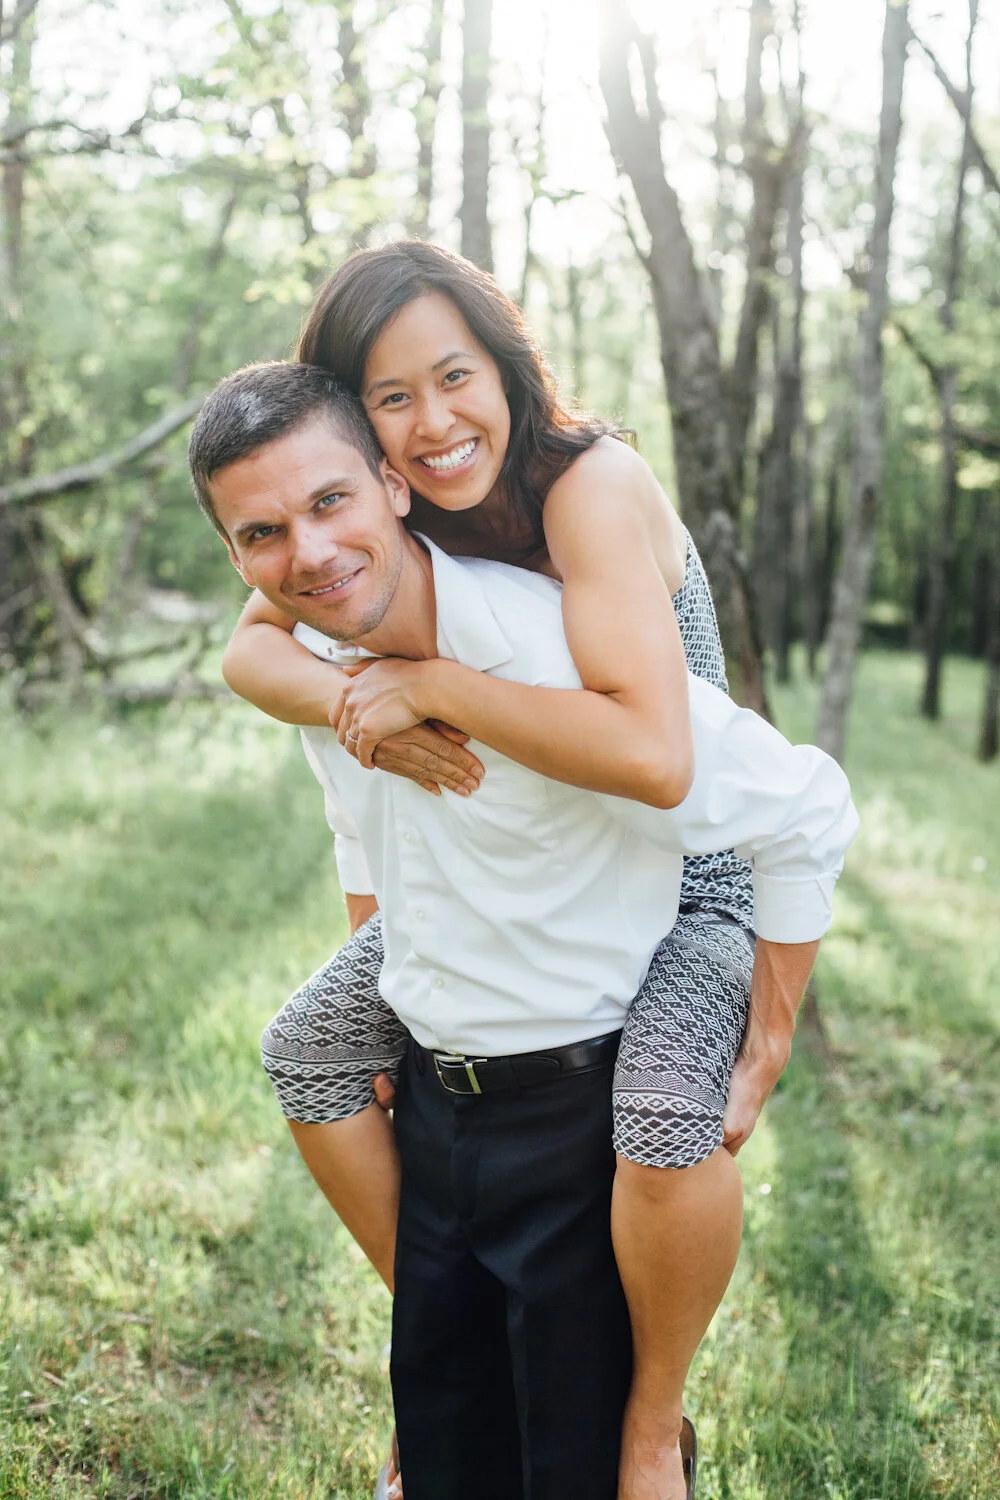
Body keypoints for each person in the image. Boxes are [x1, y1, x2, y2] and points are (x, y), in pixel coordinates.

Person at [194, 359, 858, 1500]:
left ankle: (657, 1431)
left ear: (396, 485)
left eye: (328, 503)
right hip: (477, 1019)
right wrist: (398, 996)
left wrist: (769, 1035)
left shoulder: (568, 577)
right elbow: (364, 830)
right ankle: (441, 1342)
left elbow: (788, 803)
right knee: (308, 1051)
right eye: (261, 534)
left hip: (678, 876)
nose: (304, 553)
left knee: (658, 1115)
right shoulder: (332, 659)